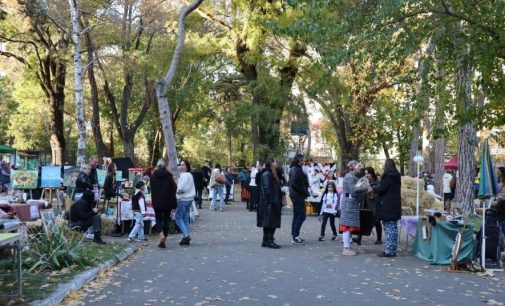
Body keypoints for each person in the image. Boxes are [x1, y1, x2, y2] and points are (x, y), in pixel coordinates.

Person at [372, 159, 402, 257]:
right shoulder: (396, 177)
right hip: (395, 205)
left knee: (389, 228)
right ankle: (392, 249)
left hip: (387, 206)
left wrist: (373, 189)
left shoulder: (387, 176)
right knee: (393, 228)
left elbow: (382, 188)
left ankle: (389, 251)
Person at [150, 159, 177, 248]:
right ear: (165, 165)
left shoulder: (153, 176)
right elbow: (174, 187)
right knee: (166, 220)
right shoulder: (169, 176)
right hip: (167, 201)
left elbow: (152, 188)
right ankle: (164, 240)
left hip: (157, 201)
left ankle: (161, 234)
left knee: (158, 218)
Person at [257, 158, 282, 249]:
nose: (277, 163)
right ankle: (269, 240)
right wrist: (271, 200)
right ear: (272, 163)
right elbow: (267, 189)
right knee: (271, 222)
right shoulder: (267, 174)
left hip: (270, 201)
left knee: (268, 222)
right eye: (275, 162)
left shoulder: (270, 173)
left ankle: (266, 240)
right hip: (269, 202)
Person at [340, 160, 362, 255]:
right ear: (353, 167)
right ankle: (346, 247)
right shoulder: (351, 177)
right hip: (350, 202)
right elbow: (354, 191)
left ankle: (348, 246)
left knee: (348, 225)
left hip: (350, 202)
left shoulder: (351, 176)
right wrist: (363, 189)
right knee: (347, 226)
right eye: (358, 166)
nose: (360, 167)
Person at [289, 154, 310, 245]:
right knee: (300, 215)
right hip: (297, 195)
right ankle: (295, 236)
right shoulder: (295, 169)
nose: (304, 162)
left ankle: (295, 235)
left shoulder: (297, 168)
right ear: (299, 161)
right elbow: (294, 184)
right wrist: (304, 192)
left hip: (297, 195)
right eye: (302, 160)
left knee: (298, 215)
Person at [176, 160, 196, 246]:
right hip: (189, 198)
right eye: (180, 165)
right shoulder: (189, 175)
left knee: (178, 218)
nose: (181, 167)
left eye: (183, 165)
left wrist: (176, 186)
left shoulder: (184, 175)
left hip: (183, 199)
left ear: (187, 166)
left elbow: (181, 188)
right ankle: (186, 236)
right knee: (185, 218)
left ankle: (186, 235)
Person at [364, 166, 383, 245]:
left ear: (372, 173)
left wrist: (372, 194)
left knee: (376, 221)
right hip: (367, 204)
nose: (366, 175)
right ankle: (359, 237)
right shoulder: (365, 181)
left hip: (375, 204)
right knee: (367, 220)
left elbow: (379, 193)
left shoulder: (377, 181)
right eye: (365, 174)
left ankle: (379, 239)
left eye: (368, 173)